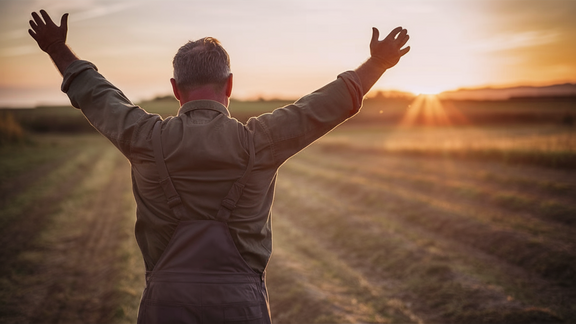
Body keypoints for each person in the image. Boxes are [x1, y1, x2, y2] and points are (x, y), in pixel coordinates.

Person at [28, 9, 410, 324]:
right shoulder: (259, 142)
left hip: (165, 305)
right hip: (241, 306)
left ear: (176, 89)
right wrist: (377, 63)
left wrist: (58, 49)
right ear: (229, 86)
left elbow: (97, 95)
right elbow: (320, 107)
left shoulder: (145, 138)